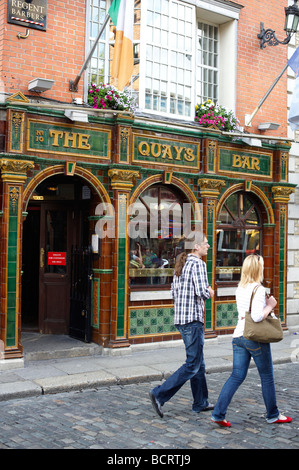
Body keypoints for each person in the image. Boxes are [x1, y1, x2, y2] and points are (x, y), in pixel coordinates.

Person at [211, 254, 292, 427]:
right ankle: (273, 414)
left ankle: (218, 414)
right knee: (267, 376)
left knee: (236, 376)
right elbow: (256, 317)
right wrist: (270, 306)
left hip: (238, 336)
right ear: (257, 269)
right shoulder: (259, 289)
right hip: (254, 338)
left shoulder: (240, 288)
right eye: (261, 266)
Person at [149, 231, 214, 418]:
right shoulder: (198, 264)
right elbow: (202, 292)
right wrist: (210, 291)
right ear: (196, 246)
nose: (208, 246)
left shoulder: (182, 264)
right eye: (206, 243)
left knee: (198, 363)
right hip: (193, 320)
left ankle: (200, 402)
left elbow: (173, 292)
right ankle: (159, 394)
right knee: (193, 364)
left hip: (181, 320)